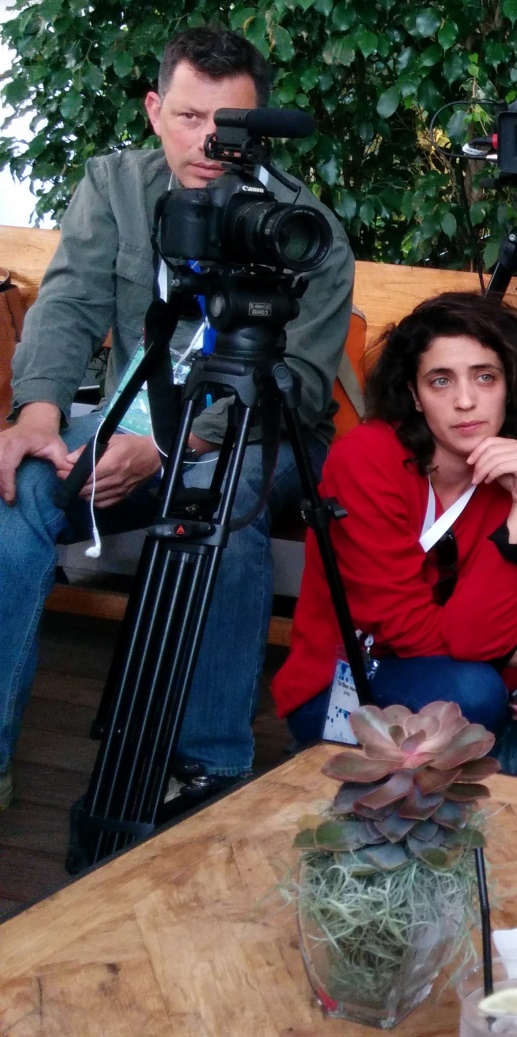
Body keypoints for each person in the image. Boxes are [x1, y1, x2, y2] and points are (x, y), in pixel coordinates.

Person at [0, 27, 354, 810]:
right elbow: (69, 302)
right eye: (190, 117)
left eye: (230, 124)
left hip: (262, 439)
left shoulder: (303, 226)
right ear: (156, 108)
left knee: (219, 501)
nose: (208, 141)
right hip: (133, 419)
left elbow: (294, 383)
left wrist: (166, 444)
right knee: (17, 488)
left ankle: (211, 765)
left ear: (261, 124)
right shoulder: (115, 185)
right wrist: (38, 412)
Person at [272, 293, 517, 741]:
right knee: (474, 694)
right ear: (414, 395)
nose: (466, 401)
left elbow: (480, 638)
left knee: (487, 701)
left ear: (510, 386)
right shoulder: (365, 458)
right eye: (441, 381)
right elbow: (403, 628)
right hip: (341, 684)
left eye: (485, 377)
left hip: (450, 673)